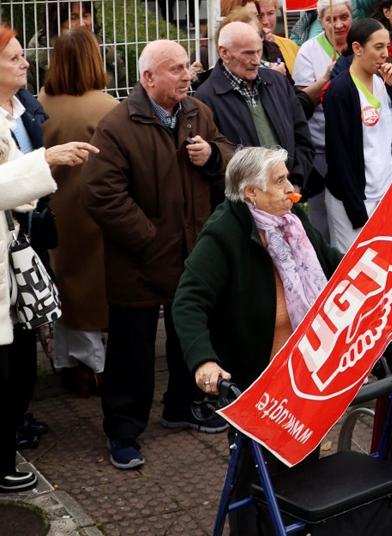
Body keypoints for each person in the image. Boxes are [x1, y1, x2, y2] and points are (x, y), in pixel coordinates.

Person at [83, 40, 235, 470]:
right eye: (175, 69)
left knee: (189, 331)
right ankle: (123, 431)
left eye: (187, 66)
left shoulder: (196, 113)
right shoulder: (117, 125)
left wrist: (212, 157)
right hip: (139, 261)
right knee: (132, 348)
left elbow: (230, 154)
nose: (187, 75)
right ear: (148, 78)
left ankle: (181, 407)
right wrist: (148, 239)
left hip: (192, 253)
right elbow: (100, 193)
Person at [173, 146, 341, 535]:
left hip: (303, 369)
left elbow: (333, 263)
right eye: (280, 181)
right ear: (250, 192)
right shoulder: (225, 232)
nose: (292, 189)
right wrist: (204, 361)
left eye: (288, 179)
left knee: (302, 465)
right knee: (253, 474)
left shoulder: (293, 220)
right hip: (255, 377)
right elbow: (188, 300)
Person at [0, 42, 97, 491]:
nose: (25, 62)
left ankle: (12, 438)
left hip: (21, 243)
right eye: (14, 56)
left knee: (19, 345)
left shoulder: (24, 107)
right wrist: (48, 159)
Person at [38, 27, 119, 397]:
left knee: (63, 287)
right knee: (92, 291)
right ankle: (96, 368)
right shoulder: (107, 107)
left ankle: (68, 363)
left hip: (50, 209)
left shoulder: (37, 103)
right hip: (92, 212)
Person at [194, 21, 315, 193]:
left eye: (259, 51)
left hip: (286, 196)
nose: (257, 60)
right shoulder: (205, 98)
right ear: (224, 53)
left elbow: (302, 138)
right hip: (243, 204)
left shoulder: (278, 83)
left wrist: (295, 181)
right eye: (248, 53)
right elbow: (214, 164)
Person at [324, 19, 392, 250]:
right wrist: (356, 209)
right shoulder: (340, 91)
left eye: (387, 47)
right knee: (354, 269)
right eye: (378, 47)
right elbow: (338, 154)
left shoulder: (383, 84)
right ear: (357, 48)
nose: (385, 54)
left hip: (383, 193)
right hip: (353, 200)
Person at [292, 0, 353, 239]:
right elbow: (303, 102)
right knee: (322, 218)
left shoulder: (361, 43)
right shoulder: (309, 50)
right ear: (320, 20)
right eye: (330, 19)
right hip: (322, 147)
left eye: (343, 17)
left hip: (356, 145)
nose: (338, 24)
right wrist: (327, 79)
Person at [249, 0, 300, 75]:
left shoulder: (291, 46)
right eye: (260, 16)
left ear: (276, 12)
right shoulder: (246, 49)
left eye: (270, 13)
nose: (265, 21)